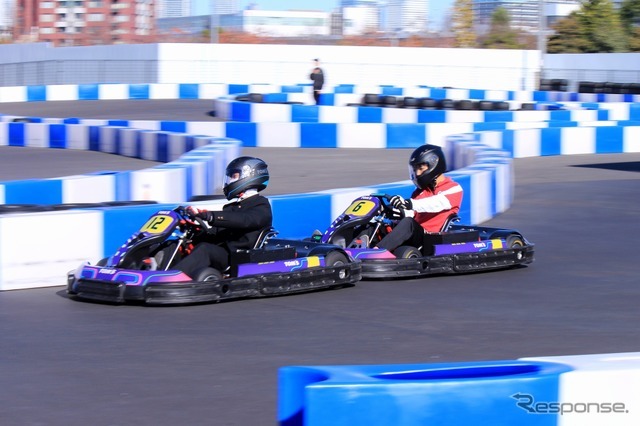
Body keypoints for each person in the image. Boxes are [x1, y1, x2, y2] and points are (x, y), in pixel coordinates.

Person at [171, 156, 273, 278]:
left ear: (249, 176)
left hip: (237, 257)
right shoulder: (230, 207)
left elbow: (243, 220)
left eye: (234, 176)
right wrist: (193, 229)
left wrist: (211, 216)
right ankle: (152, 269)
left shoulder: (261, 205)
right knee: (178, 244)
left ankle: (170, 278)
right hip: (222, 251)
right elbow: (215, 233)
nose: (229, 181)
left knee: (205, 249)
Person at [375, 144, 463, 253]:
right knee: (377, 224)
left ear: (434, 165)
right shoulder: (420, 192)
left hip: (428, 238)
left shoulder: (453, 188)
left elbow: (435, 203)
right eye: (415, 169)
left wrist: (410, 203)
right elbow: (410, 214)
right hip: (413, 235)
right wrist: (393, 209)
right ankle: (354, 249)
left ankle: (377, 252)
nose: (417, 173)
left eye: (421, 169)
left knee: (409, 223)